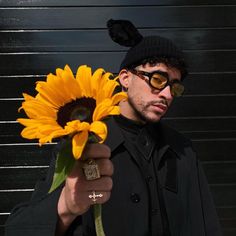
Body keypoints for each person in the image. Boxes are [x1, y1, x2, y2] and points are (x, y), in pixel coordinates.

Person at [5, 19, 222, 236]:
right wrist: (65, 207)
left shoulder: (182, 151)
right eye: (158, 79)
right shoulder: (83, 141)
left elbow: (206, 224)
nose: (167, 94)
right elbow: (19, 228)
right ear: (125, 78)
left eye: (174, 87)